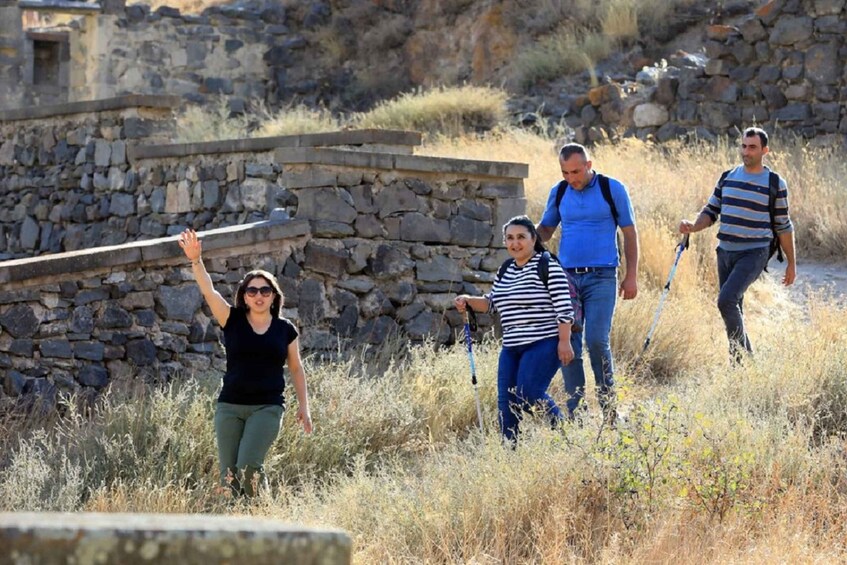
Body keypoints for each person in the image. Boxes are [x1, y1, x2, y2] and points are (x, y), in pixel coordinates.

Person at [178, 228, 312, 496]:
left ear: (273, 296)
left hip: (267, 407)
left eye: (265, 290)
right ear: (244, 295)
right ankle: (235, 521)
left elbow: (296, 368)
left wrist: (304, 407)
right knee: (228, 474)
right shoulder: (232, 320)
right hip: (229, 406)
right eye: (252, 291)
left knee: (249, 466)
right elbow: (209, 291)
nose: (258, 295)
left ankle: (259, 515)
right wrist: (196, 260)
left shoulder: (285, 329)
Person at [537, 143, 639, 422]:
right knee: (568, 343)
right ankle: (577, 414)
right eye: (565, 172)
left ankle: (609, 411)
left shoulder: (611, 188)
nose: (572, 178)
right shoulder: (559, 192)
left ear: (589, 164)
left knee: (596, 340)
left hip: (602, 275)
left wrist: (631, 276)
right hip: (566, 278)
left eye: (576, 171)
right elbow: (546, 230)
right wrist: (523, 234)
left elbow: (630, 233)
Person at [679, 127, 796, 362]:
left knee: (726, 300)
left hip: (754, 252)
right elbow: (711, 211)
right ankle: (738, 367)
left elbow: (784, 225)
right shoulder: (727, 177)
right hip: (725, 251)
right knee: (734, 308)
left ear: (765, 150)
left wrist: (791, 263)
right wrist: (693, 225)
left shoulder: (775, 183)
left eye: (752, 147)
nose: (746, 151)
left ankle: (748, 364)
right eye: (743, 146)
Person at [454, 216, 574, 443]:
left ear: (533, 239)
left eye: (521, 237)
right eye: (510, 238)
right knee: (506, 403)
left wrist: (564, 342)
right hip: (511, 347)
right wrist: (468, 300)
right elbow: (492, 303)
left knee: (529, 394)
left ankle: (567, 438)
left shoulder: (547, 265)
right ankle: (510, 451)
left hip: (544, 342)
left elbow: (564, 308)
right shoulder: (506, 269)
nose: (515, 243)